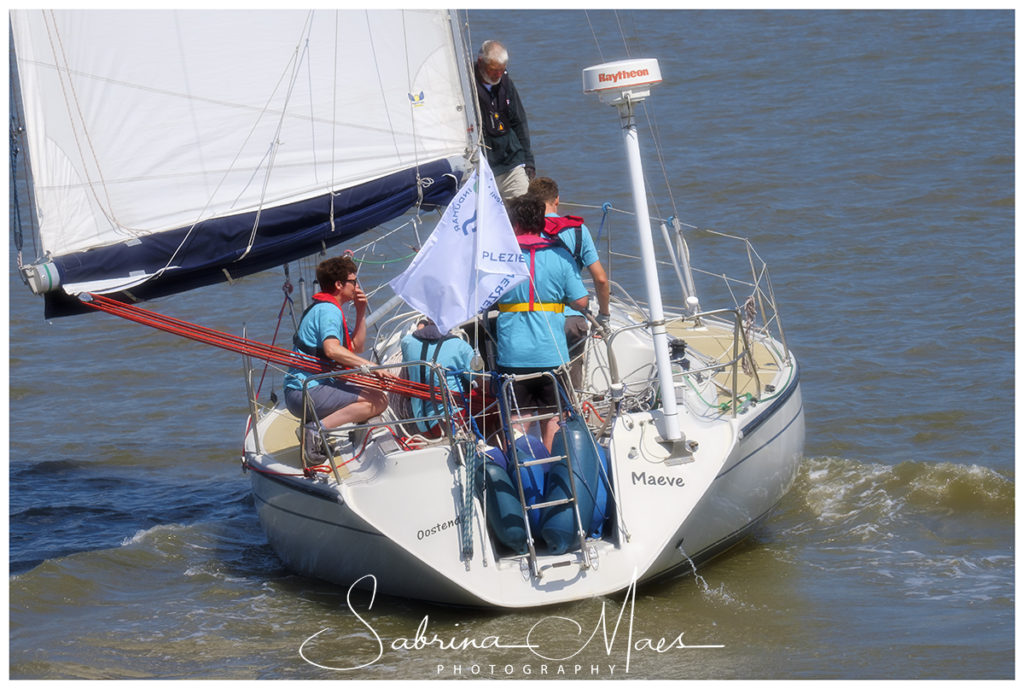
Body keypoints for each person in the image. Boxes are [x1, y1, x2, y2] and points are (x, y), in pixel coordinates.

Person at [496, 194, 588, 450]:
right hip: (551, 352)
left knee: (517, 420)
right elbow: (581, 302)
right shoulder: (561, 256)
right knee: (554, 418)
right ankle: (552, 471)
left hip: (513, 354)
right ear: (541, 221)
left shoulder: (502, 257)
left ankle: (519, 471)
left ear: (512, 222)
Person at [284, 255, 389, 461]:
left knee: (374, 392)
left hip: (308, 389)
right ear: (339, 284)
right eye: (353, 281)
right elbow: (332, 350)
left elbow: (357, 347)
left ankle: (321, 428)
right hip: (305, 392)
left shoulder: (326, 308)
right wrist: (373, 367)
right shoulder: (329, 310)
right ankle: (315, 430)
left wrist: (360, 311)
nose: (357, 286)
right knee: (379, 400)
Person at [528, 177, 611, 390]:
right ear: (557, 199)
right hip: (572, 318)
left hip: (535, 318)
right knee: (572, 384)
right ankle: (573, 414)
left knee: (540, 386)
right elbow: (600, 279)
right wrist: (604, 316)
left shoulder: (526, 231)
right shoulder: (578, 231)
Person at [475, 40, 534, 200]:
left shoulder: (505, 82)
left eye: (502, 70)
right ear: (481, 62)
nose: (498, 75)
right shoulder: (467, 84)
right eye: (494, 70)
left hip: (511, 163)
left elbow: (519, 121)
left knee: (526, 208)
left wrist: (528, 161)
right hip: (483, 168)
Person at [400, 317, 475, 436]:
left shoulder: (407, 342)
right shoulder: (460, 346)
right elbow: (478, 379)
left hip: (423, 423)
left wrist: (421, 325)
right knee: (484, 398)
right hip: (454, 420)